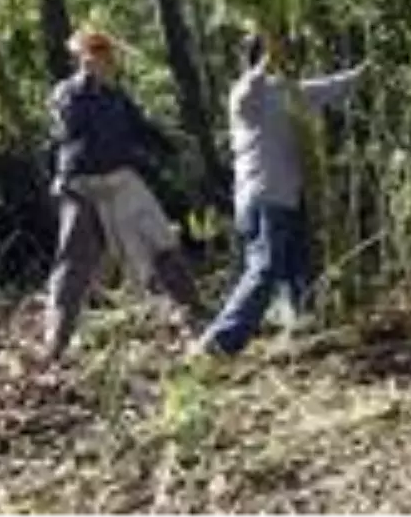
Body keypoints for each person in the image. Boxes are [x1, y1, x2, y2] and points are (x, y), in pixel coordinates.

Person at [193, 30, 367, 356]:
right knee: (265, 268)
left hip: (288, 196)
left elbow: (333, 87)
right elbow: (254, 81)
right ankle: (218, 343)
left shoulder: (288, 92)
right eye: (277, 52)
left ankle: (301, 332)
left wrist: (367, 70)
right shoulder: (246, 93)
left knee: (299, 266)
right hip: (264, 197)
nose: (286, 57)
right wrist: (267, 55)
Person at [44, 28, 208, 361]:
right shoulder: (67, 93)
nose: (107, 59)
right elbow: (68, 126)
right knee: (74, 258)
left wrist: (176, 148)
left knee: (160, 238)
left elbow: (142, 130)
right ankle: (56, 341)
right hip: (81, 184)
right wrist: (89, 81)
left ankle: (196, 316)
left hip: (121, 178)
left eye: (108, 53)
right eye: (99, 53)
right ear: (85, 58)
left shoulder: (118, 97)